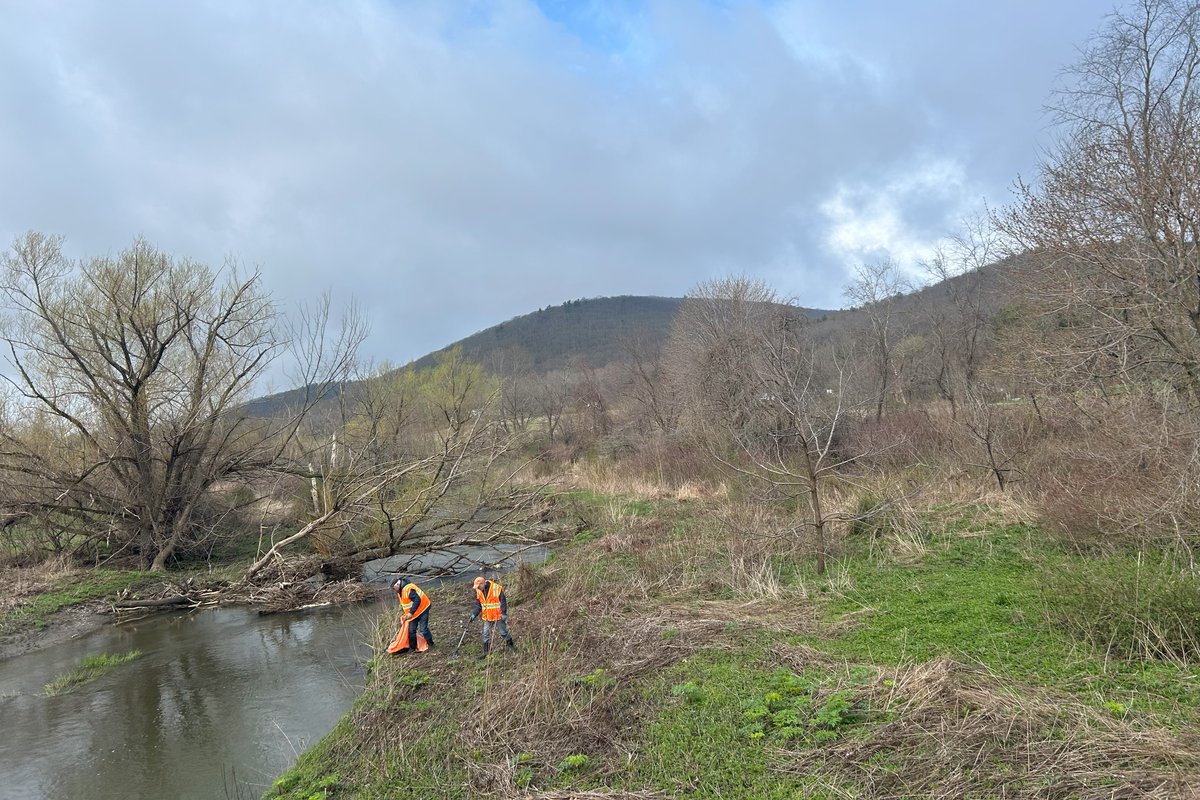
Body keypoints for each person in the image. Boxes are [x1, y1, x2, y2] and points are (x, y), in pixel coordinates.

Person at [469, 575, 514, 659]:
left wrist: (503, 613)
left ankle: (511, 647)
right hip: (487, 616)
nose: (478, 588)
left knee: (503, 632)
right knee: (486, 634)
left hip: (498, 615)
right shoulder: (479, 591)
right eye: (477, 587)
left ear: (483, 584)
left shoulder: (496, 588)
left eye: (479, 586)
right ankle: (486, 653)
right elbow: (478, 605)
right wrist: (474, 614)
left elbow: (503, 601)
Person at [391, 576, 434, 651]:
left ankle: (431, 644)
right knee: (411, 630)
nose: (394, 590)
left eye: (394, 588)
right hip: (414, 613)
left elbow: (417, 600)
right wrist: (406, 614)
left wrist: (410, 613)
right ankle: (412, 648)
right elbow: (406, 604)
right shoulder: (400, 592)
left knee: (423, 629)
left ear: (397, 585)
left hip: (423, 609)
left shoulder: (408, 589)